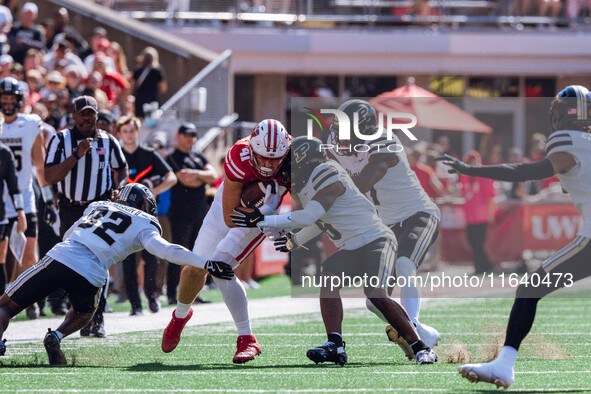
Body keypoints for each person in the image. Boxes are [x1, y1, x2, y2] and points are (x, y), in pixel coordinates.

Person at [231, 136, 438, 366]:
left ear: (303, 162)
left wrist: (265, 219)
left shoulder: (328, 172)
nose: (285, 170)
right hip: (351, 246)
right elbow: (320, 220)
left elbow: (310, 215)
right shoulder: (310, 185)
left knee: (376, 294)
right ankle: (335, 345)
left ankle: (421, 347)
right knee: (329, 275)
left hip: (375, 240)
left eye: (289, 164)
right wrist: (295, 240)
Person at [436, 85, 591, 389]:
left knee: (529, 288)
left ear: (560, 114)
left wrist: (472, 171)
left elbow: (525, 171)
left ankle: (504, 365)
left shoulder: (566, 141)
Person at [0, 183, 221, 365]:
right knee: (84, 312)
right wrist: (205, 263)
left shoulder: (98, 206)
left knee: (5, 306)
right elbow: (167, 250)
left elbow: (69, 234)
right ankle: (56, 336)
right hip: (92, 273)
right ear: (144, 204)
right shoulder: (146, 223)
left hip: (63, 255)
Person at [161, 119, 290, 364]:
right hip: (229, 207)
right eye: (263, 157)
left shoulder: (296, 159)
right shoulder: (239, 155)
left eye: (275, 160)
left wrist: (273, 220)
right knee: (196, 268)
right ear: (252, 148)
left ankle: (246, 338)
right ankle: (179, 315)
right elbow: (230, 217)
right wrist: (258, 213)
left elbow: (309, 206)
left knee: (220, 267)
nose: (268, 164)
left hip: (265, 211)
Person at [324, 99, 441, 360]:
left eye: (347, 130)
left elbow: (363, 183)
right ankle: (421, 333)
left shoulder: (383, 141)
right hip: (386, 224)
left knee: (404, 264)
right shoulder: (339, 148)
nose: (341, 136)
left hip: (418, 213)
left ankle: (413, 331)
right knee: (373, 299)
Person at [45, 95, 129, 337]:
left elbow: (122, 167)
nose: (86, 117)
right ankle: (79, 316)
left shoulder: (108, 140)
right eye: (82, 113)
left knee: (99, 261)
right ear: (74, 115)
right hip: (70, 207)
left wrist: (118, 186)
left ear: (97, 115)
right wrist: (76, 156)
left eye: (90, 112)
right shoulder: (61, 139)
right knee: (74, 262)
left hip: (98, 207)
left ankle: (98, 317)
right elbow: (50, 176)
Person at [0, 77, 53, 319]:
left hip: (25, 197)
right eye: (4, 99)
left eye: (12, 99)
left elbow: (39, 167)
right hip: (1, 201)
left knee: (29, 254)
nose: (8, 104)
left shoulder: (31, 124)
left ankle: (31, 300)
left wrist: (48, 197)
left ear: (19, 101)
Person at [118, 115, 177, 314]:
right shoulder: (116, 155)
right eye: (125, 131)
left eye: (132, 130)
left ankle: (151, 297)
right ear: (120, 134)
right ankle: (135, 304)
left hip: (148, 214)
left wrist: (153, 191)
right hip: (124, 214)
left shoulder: (149, 154)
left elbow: (172, 177)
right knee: (128, 259)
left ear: (138, 132)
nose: (129, 134)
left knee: (152, 256)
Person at [164, 123, 216, 305]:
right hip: (180, 214)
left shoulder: (198, 155)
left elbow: (214, 175)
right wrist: (203, 177)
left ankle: (194, 293)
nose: (190, 138)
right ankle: (171, 293)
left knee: (198, 255)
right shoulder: (173, 158)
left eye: (193, 135)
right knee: (177, 254)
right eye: (187, 134)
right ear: (179, 136)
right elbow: (186, 181)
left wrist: (196, 174)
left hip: (199, 213)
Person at [458, 150, 496, 275]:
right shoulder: (466, 176)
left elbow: (490, 195)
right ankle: (484, 265)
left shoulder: (483, 174)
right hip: (470, 215)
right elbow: (464, 193)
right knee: (472, 241)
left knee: (478, 242)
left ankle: (481, 266)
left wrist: (491, 212)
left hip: (481, 214)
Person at [0, 131, 26, 294]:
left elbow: (14, 188)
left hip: (0, 216)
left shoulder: (4, 153)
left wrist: (20, 211)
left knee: (0, 259)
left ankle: (1, 303)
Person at [131, 47, 167, 119]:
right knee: (151, 121)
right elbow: (163, 88)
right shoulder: (157, 71)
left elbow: (132, 85)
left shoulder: (138, 70)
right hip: (152, 100)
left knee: (140, 120)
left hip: (140, 99)